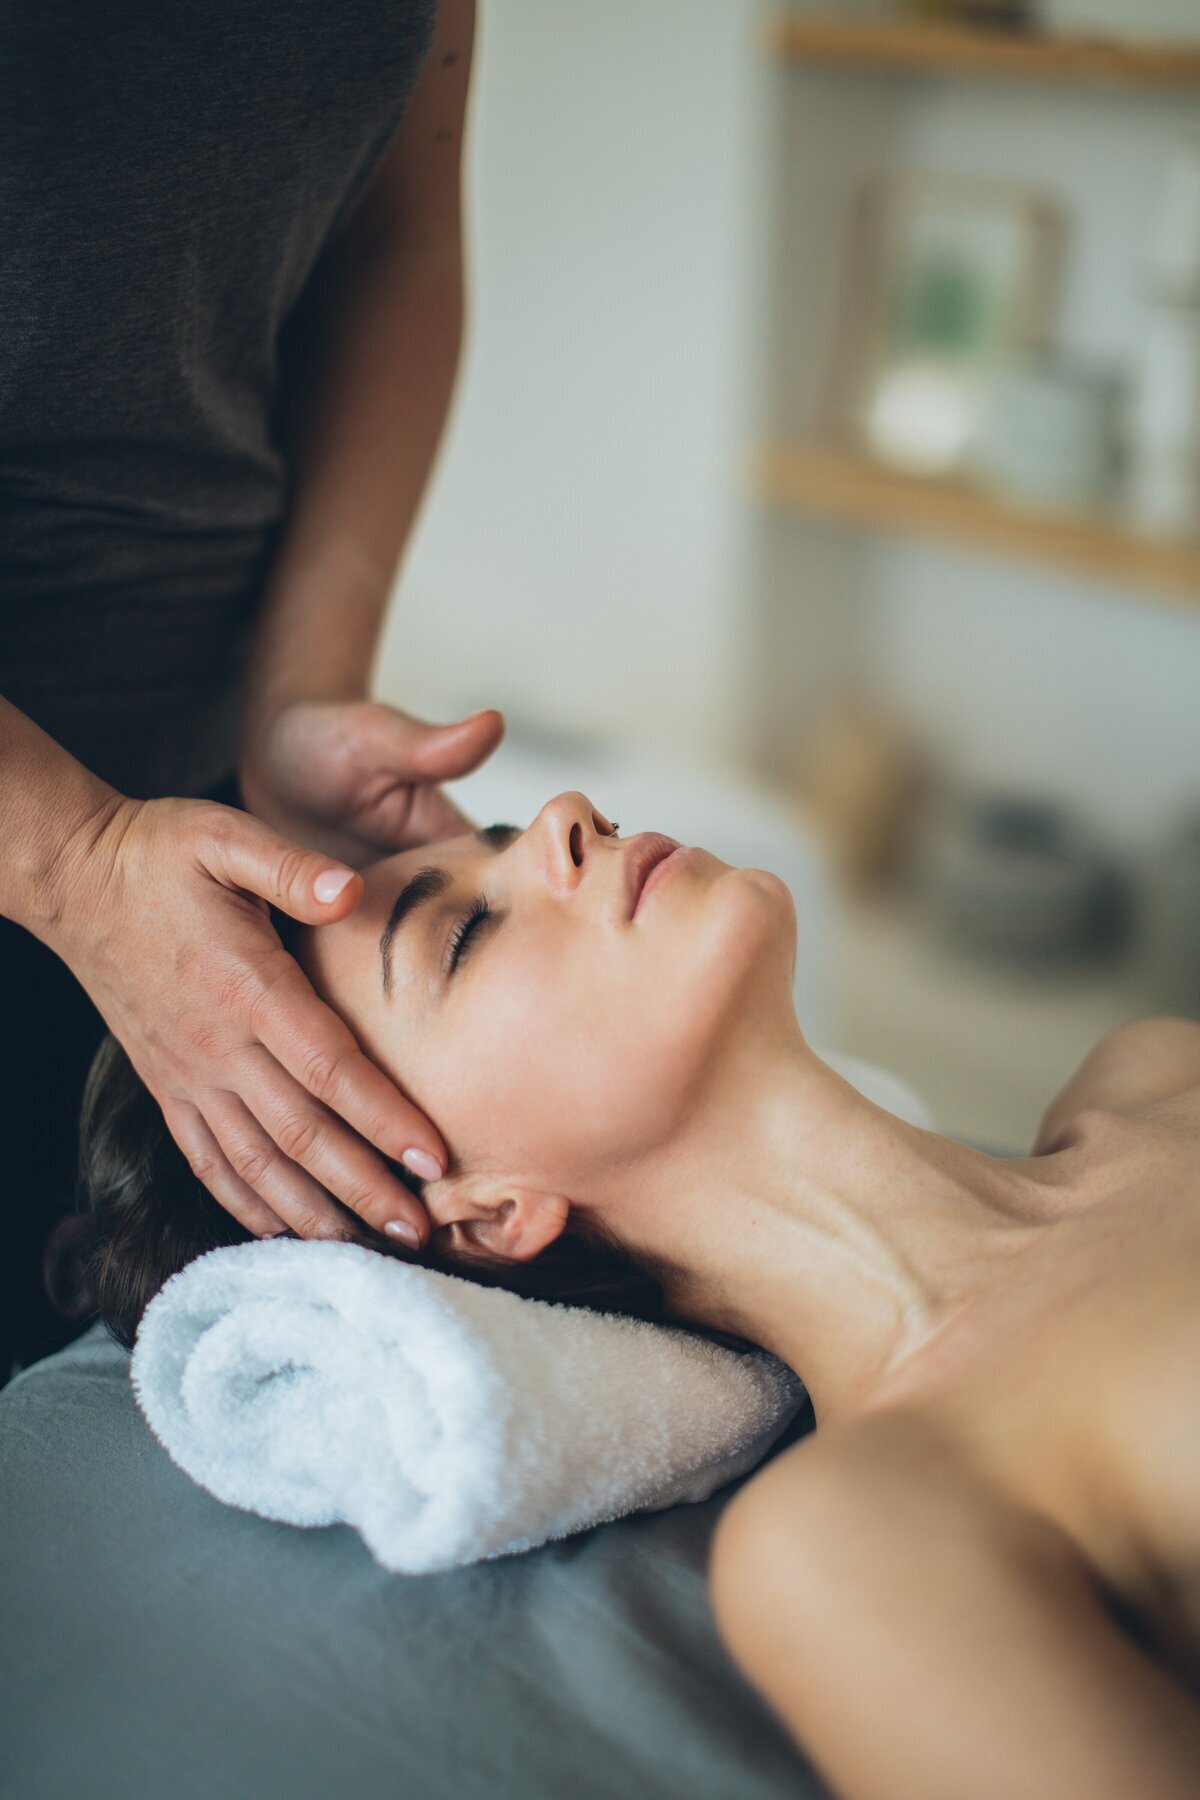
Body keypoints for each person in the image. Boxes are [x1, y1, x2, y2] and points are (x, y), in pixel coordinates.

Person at [61, 790, 1200, 1795]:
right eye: (465, 934)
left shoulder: (1154, 1068)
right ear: (487, 1211)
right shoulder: (854, 1541)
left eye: (498, 839)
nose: (567, 812)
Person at [1, 0, 497, 1377]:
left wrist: (301, 688)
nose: (567, 815)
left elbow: (395, 241)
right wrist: (65, 854)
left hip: (195, 797)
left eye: (472, 925)